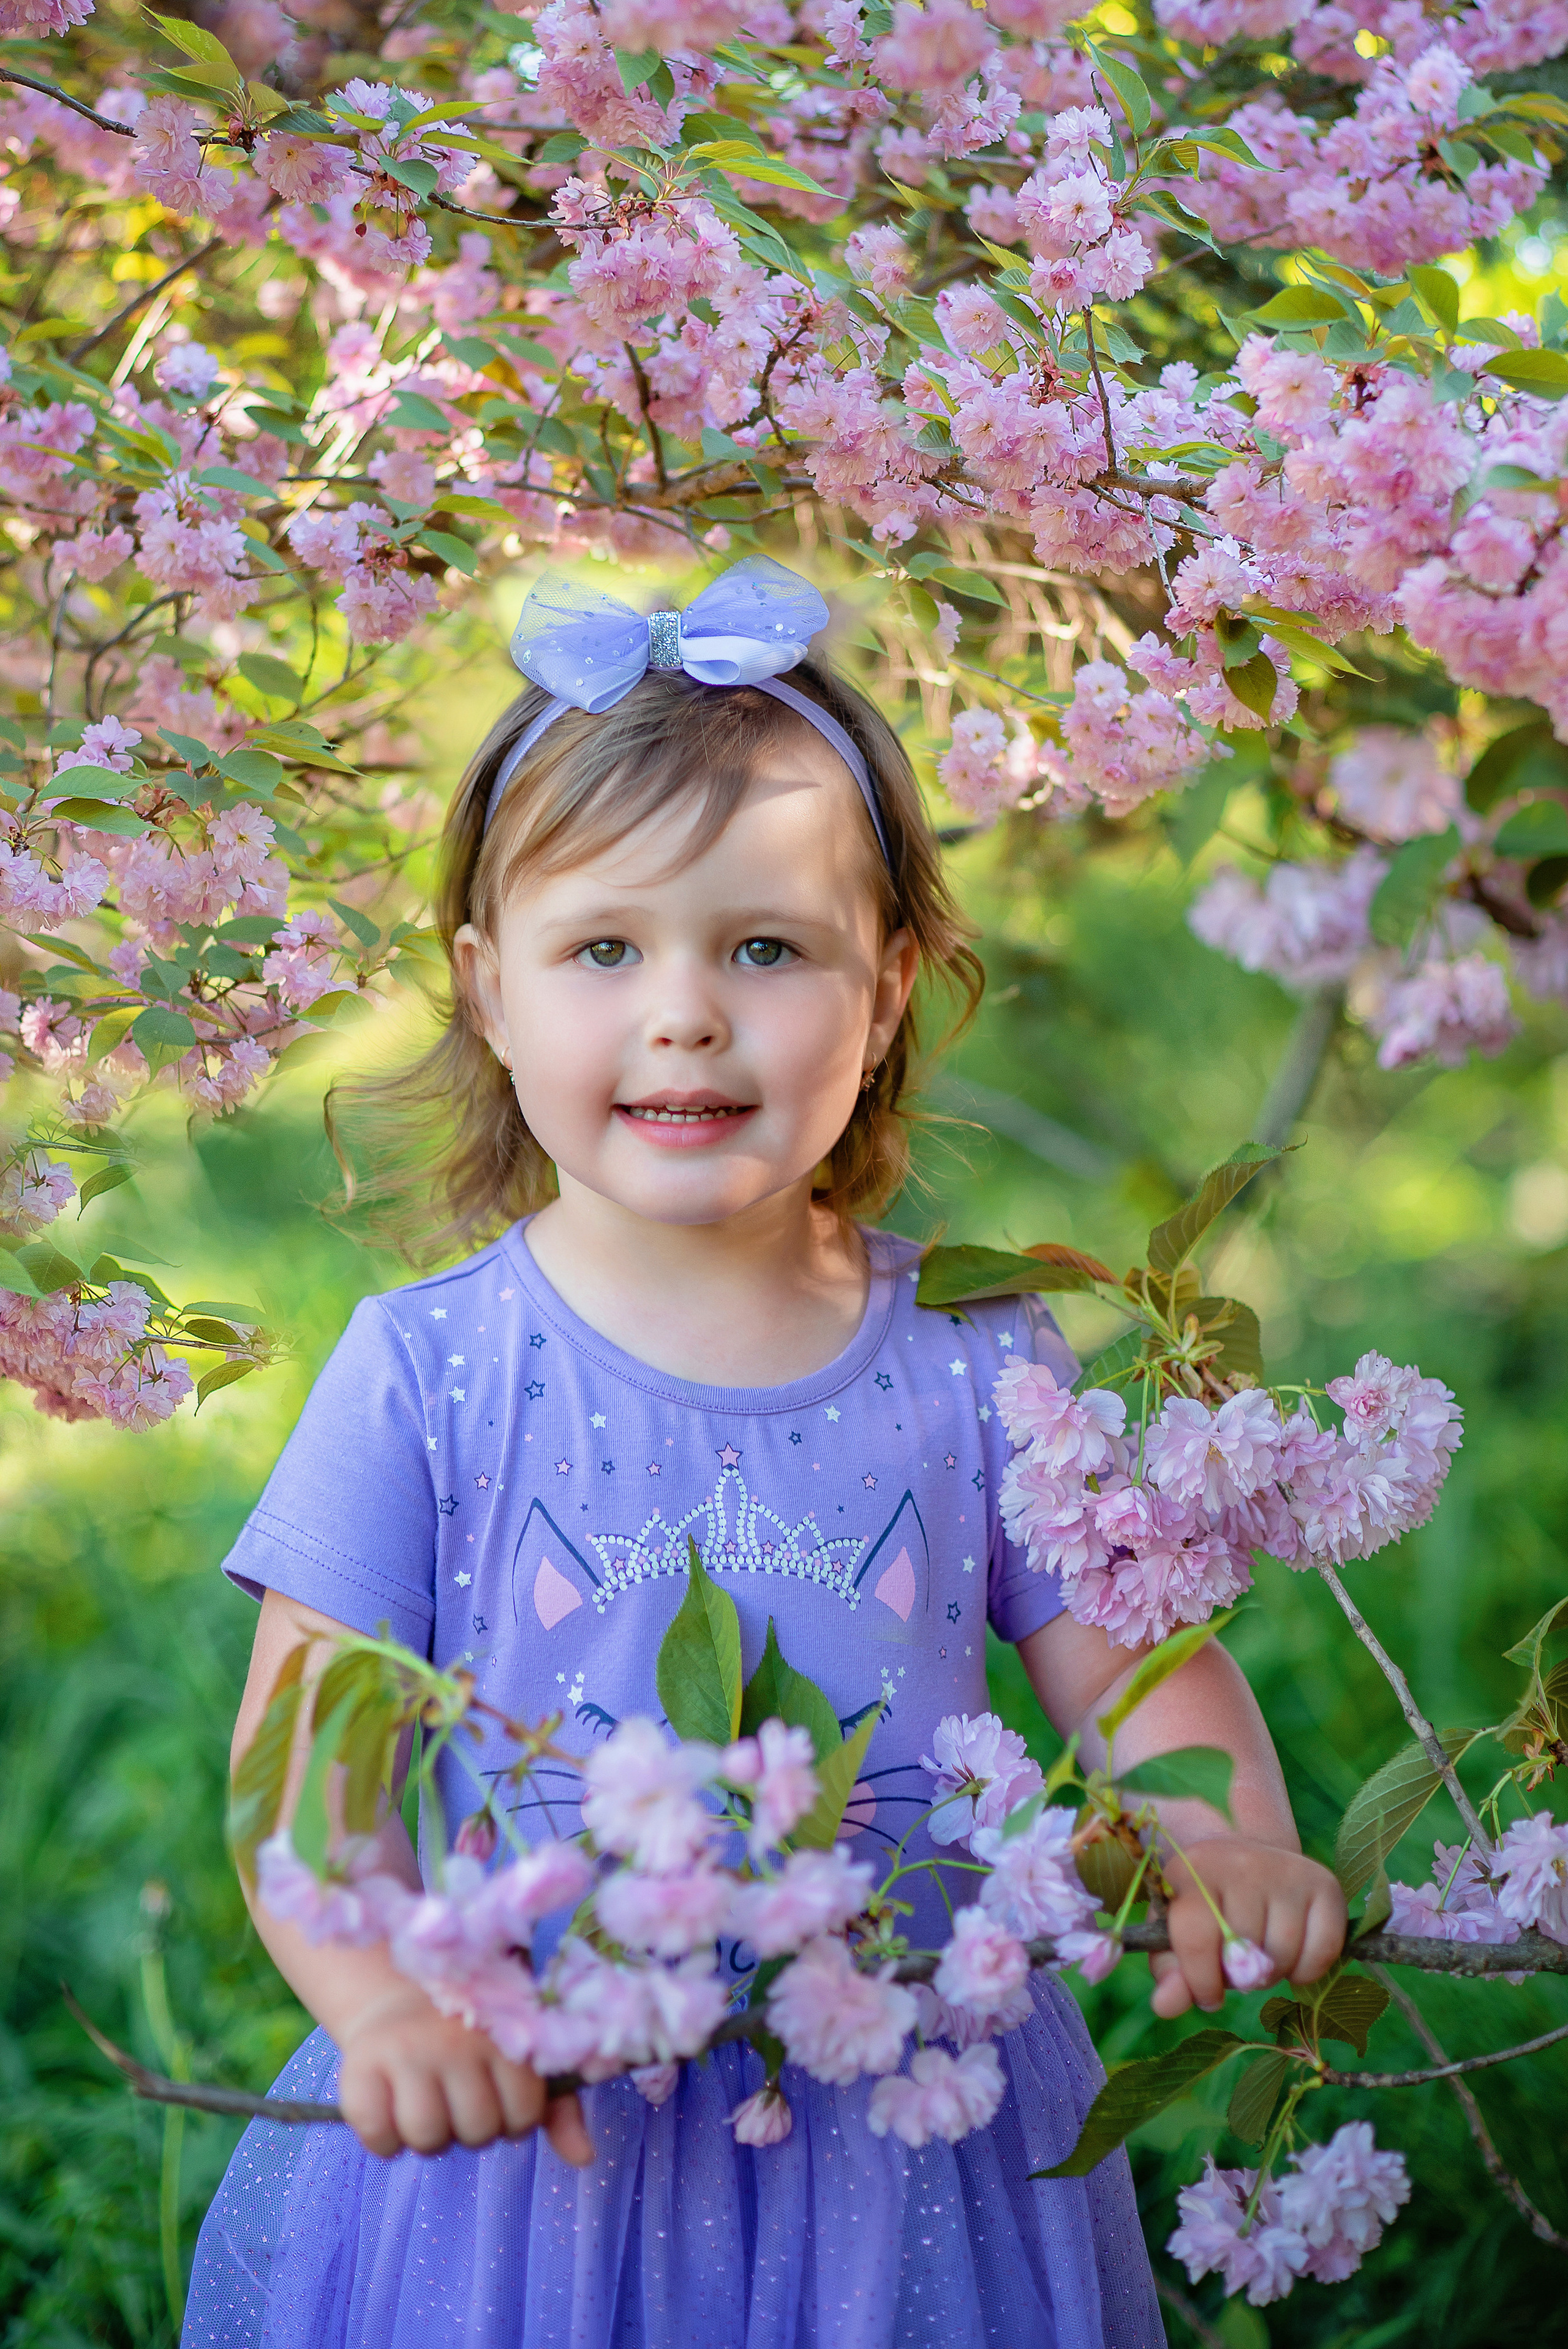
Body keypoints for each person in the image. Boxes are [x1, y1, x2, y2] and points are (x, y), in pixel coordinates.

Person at [183, 556, 1344, 2349]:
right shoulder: (428, 1368)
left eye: (765, 946)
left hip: (905, 2097)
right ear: (491, 991)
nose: (685, 1012)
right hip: (543, 2120)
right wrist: (389, 2006)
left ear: (886, 990)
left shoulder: (979, 1354)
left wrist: (1225, 1839)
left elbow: (1143, 1670)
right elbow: (303, 1765)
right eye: (606, 949)